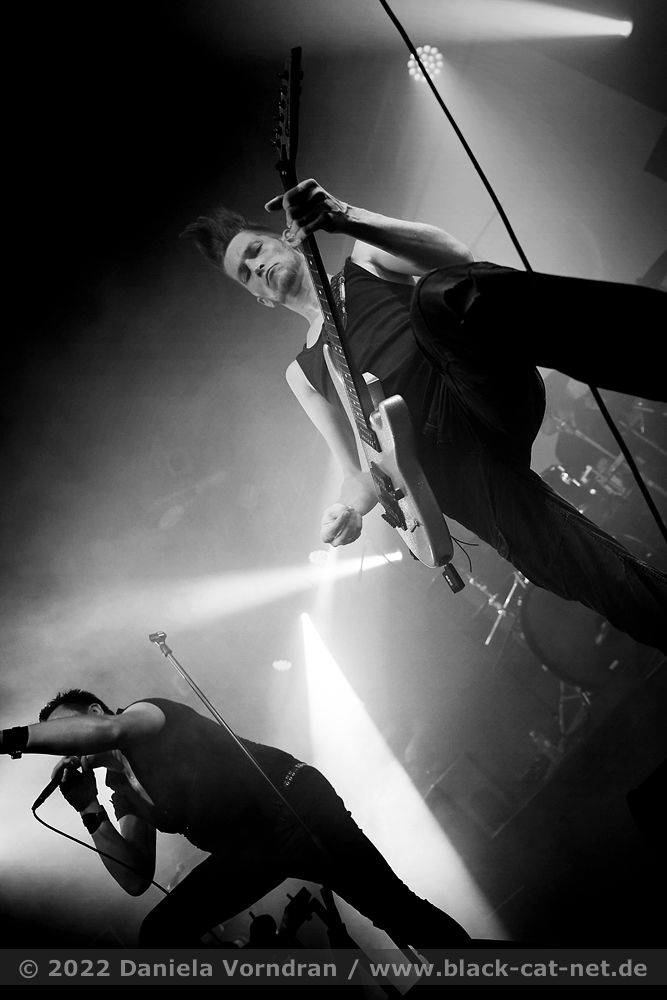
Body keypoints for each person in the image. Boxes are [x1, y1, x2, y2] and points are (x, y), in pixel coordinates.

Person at [182, 179, 667, 654]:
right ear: (261, 299)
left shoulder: (364, 260)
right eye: (246, 274)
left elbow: (456, 257)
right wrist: (347, 509)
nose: (257, 266)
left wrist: (345, 216)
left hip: (473, 388)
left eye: (256, 250)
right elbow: (360, 472)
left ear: (288, 237)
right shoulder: (302, 372)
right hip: (453, 471)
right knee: (593, 572)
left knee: (436, 294)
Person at [0, 689, 471, 947]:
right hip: (249, 849)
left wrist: (9, 740)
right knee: (160, 932)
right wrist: (89, 809)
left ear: (93, 713)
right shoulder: (122, 791)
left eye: (65, 729)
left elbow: (109, 730)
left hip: (287, 801)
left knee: (393, 909)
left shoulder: (144, 715)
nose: (66, 747)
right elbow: (136, 877)